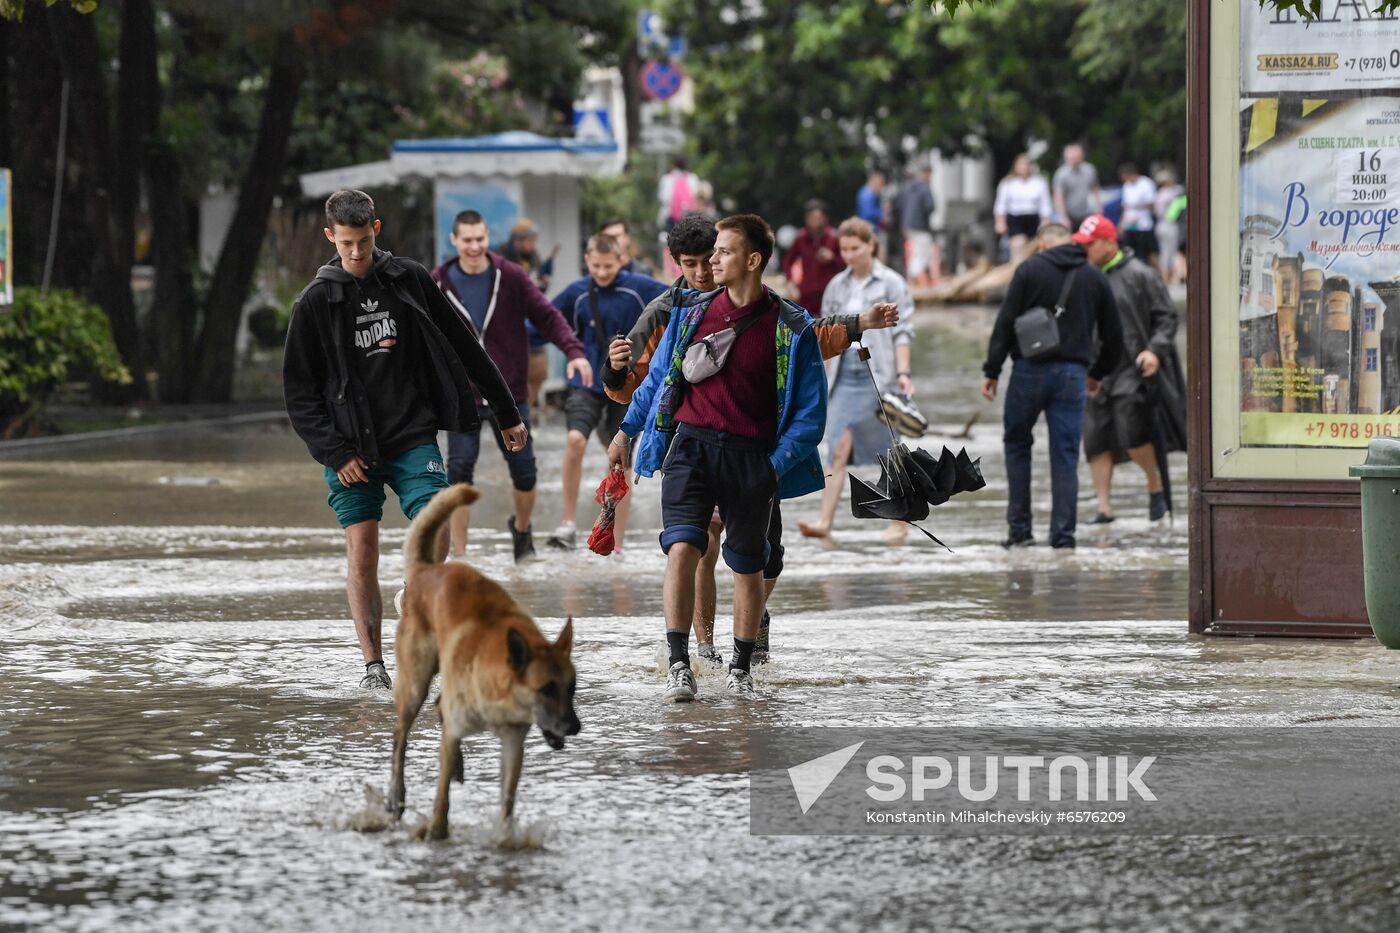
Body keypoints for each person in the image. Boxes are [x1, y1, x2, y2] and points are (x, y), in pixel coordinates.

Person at [604, 214, 897, 668]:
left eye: (717, 255)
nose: (707, 269)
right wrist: (624, 421)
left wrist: (771, 468)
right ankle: (696, 654)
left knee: (760, 562)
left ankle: (747, 638)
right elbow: (646, 382)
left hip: (754, 455)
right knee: (691, 543)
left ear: (751, 260)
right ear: (678, 264)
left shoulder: (786, 323)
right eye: (695, 262)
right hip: (692, 447)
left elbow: (810, 363)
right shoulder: (674, 311)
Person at [282, 189, 525, 690]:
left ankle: (416, 597)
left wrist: (505, 412)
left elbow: (464, 343)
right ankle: (374, 666)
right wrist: (334, 451)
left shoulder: (408, 279)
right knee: (362, 549)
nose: (355, 253)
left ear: (377, 229)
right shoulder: (313, 302)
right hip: (349, 448)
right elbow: (299, 396)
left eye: (362, 242)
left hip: (411, 434)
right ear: (331, 237)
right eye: (345, 244)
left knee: (434, 524)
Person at [431, 210, 593, 562]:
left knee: (525, 470)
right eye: (468, 240)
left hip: (510, 392)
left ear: (487, 238)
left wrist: (574, 352)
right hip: (463, 395)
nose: (474, 246)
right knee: (458, 471)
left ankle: (521, 529)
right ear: (454, 241)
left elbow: (548, 317)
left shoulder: (511, 276)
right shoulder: (438, 283)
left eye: (480, 239)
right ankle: (460, 555)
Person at [980, 220, 1124, 550]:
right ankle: (1063, 537)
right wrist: (1097, 373)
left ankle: (1020, 533)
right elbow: (1115, 337)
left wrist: (992, 370)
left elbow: (1004, 322)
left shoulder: (1028, 270)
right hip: (1073, 375)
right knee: (1065, 455)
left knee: (1017, 445)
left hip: (1028, 371)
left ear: (1042, 244)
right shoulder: (1094, 276)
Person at [547, 233, 668, 552]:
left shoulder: (639, 287)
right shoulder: (577, 292)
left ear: (621, 260)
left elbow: (680, 298)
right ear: (587, 261)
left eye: (609, 266)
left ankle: (616, 540)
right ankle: (568, 523)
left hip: (625, 385)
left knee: (619, 460)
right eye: (596, 266)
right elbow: (544, 319)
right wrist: (569, 351)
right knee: (574, 440)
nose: (602, 273)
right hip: (586, 381)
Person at [798, 217, 915, 544]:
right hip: (842, 375)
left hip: (878, 373)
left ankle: (899, 519)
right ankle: (825, 519)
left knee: (887, 448)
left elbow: (903, 332)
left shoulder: (892, 282)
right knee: (837, 447)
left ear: (870, 246)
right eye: (844, 249)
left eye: (855, 248)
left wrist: (903, 374)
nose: (849, 255)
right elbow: (824, 330)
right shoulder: (837, 285)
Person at [1075, 215, 1184, 525]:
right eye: (1082, 245)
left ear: (1109, 242)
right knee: (1094, 438)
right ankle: (1104, 507)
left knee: (1132, 431)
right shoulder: (1083, 276)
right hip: (1095, 369)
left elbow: (1167, 318)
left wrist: (1154, 351)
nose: (1085, 250)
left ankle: (1155, 485)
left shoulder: (1141, 275)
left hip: (1130, 367)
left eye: (1090, 244)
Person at [782, 199, 845, 319]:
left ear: (825, 218)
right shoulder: (800, 238)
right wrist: (790, 282)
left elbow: (847, 262)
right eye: (811, 218)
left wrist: (832, 257)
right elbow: (787, 262)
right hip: (806, 294)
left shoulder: (834, 237)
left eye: (818, 218)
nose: (814, 222)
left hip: (829, 293)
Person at [993, 154, 1053, 264]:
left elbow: (1045, 204)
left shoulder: (1039, 182)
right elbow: (1000, 205)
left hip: (1033, 218)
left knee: (1035, 248)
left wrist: (1046, 220)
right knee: (1018, 246)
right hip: (1016, 218)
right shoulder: (1007, 183)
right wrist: (1000, 222)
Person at [896, 165, 937, 286]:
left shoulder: (910, 188)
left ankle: (911, 280)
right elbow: (930, 206)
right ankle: (919, 281)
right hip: (920, 226)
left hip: (907, 225)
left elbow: (899, 203)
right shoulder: (925, 187)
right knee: (923, 253)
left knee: (914, 253)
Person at [1117, 163, 1159, 270]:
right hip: (1130, 225)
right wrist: (1121, 223)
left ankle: (1159, 275)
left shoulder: (1146, 183)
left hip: (1144, 225)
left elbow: (1152, 203)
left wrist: (1135, 206)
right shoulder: (1126, 186)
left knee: (1149, 251)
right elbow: (1124, 206)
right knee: (1130, 251)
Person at [1052, 143, 1101, 231]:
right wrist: (1063, 217)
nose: (1074, 160)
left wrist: (1099, 209)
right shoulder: (1061, 174)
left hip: (1087, 212)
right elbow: (1058, 197)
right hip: (1070, 214)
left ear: (1081, 156)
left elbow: (1095, 190)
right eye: (1071, 158)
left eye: (1076, 158)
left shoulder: (1090, 170)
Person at [497, 218, 555, 293]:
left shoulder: (534, 256)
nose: (533, 245)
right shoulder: (501, 257)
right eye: (530, 241)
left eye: (535, 241)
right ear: (517, 241)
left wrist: (543, 283)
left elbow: (537, 291)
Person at [1153, 170, 1184, 285]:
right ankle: (1170, 277)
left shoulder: (1159, 193)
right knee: (1172, 251)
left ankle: (1165, 277)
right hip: (1170, 224)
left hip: (1160, 225)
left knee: (1164, 252)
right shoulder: (1172, 192)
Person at [657, 157, 702, 232]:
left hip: (670, 216)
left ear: (674, 165)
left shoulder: (667, 179)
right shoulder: (693, 178)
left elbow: (662, 198)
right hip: (689, 216)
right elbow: (696, 197)